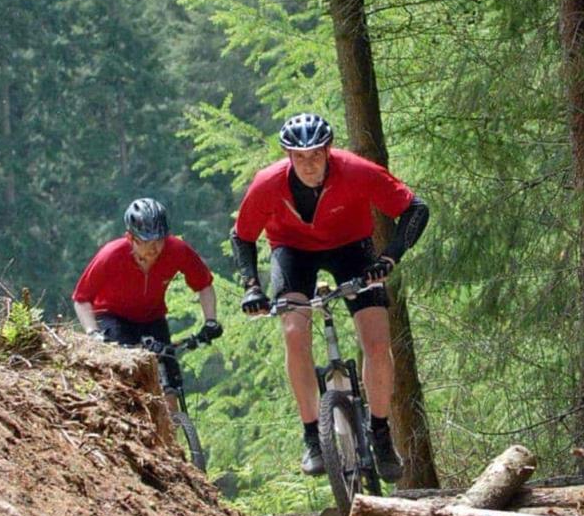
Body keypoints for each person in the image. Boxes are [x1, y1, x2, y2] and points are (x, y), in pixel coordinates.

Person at [231, 112, 428, 482]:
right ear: (288, 156)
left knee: (376, 338)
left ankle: (382, 433)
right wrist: (252, 288)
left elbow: (415, 209)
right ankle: (313, 437)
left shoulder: (355, 170)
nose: (309, 164)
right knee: (293, 331)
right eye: (300, 157)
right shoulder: (267, 183)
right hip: (292, 251)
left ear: (328, 150)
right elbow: (242, 236)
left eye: (316, 155)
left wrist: (389, 258)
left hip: (352, 248)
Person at [72, 198, 223, 403]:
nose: (154, 248)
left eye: (159, 240)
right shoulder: (111, 255)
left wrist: (211, 321)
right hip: (113, 317)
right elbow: (81, 299)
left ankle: (172, 429)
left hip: (152, 318)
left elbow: (204, 285)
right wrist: (93, 333)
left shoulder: (176, 250)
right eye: (146, 241)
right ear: (130, 237)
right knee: (124, 386)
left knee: (171, 391)